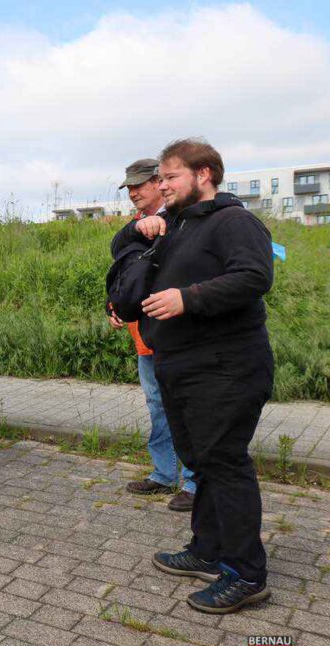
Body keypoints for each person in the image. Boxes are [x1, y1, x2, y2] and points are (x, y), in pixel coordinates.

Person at [115, 138, 275, 614]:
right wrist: (137, 230)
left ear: (203, 174)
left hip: (226, 367)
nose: (160, 187)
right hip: (179, 365)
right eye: (158, 180)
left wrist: (189, 298)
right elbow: (123, 248)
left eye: (169, 177)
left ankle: (247, 574)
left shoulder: (234, 221)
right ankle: (207, 548)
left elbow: (254, 276)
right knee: (200, 462)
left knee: (225, 464)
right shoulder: (176, 224)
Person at [109, 158, 196, 512]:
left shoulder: (182, 220)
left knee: (186, 408)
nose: (132, 193)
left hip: (177, 337)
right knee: (157, 405)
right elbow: (125, 273)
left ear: (159, 182)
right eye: (128, 187)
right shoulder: (136, 226)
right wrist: (113, 304)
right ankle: (163, 475)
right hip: (145, 338)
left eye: (138, 185)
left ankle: (193, 482)